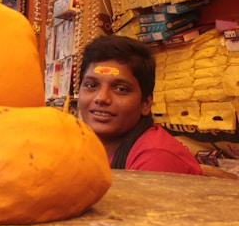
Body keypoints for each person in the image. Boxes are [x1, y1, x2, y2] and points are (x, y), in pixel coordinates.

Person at [78, 35, 202, 175]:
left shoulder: (156, 158)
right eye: (91, 85)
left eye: (121, 89)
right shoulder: (83, 145)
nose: (101, 98)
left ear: (146, 103)